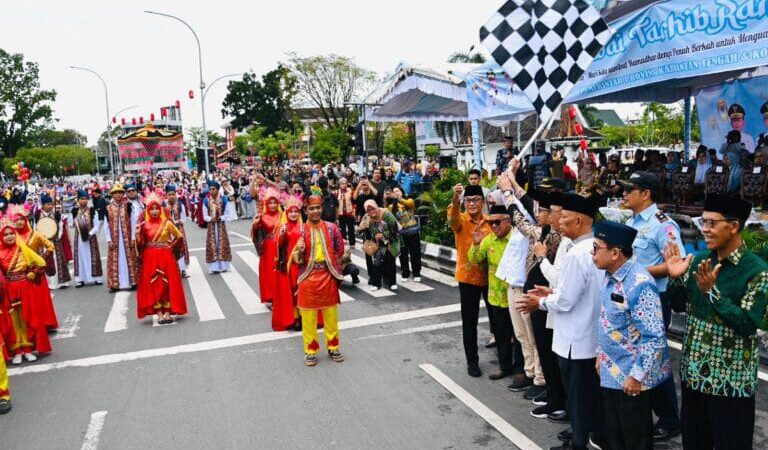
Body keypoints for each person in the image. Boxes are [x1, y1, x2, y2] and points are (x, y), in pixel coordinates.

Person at [664, 194, 768, 450]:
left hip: (730, 382)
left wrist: (712, 293)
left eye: (712, 223)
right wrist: (675, 277)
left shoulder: (756, 270)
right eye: (704, 223)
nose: (706, 230)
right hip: (694, 375)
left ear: (733, 226)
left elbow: (746, 323)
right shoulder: (700, 260)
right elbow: (678, 305)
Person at [516, 193, 604, 450]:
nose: (559, 221)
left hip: (575, 339)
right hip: (586, 336)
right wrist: (551, 293)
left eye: (564, 217)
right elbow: (575, 292)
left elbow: (566, 301)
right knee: (587, 396)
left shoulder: (578, 254)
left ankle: (579, 443)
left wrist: (539, 302)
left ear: (578, 221)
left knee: (578, 398)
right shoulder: (594, 248)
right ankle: (587, 436)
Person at [591, 221, 671, 450]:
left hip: (630, 378)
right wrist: (600, 355)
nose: (592, 253)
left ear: (615, 253)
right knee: (615, 437)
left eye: (596, 248)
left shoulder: (639, 283)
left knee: (634, 440)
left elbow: (654, 337)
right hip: (611, 372)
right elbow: (608, 320)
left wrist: (637, 376)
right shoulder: (611, 275)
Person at [619, 171, 684, 441]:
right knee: (637, 355)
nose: (623, 193)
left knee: (654, 358)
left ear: (646, 194)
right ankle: (643, 408)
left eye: (629, 189)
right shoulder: (631, 220)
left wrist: (639, 272)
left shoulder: (662, 225)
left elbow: (676, 263)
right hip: (630, 299)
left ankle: (669, 419)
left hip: (654, 300)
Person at [468, 204, 525, 381]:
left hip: (516, 296)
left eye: (497, 222)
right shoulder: (488, 240)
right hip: (496, 296)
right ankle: (505, 366)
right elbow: (475, 260)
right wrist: (476, 244)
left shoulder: (517, 239)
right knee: (501, 334)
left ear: (508, 221)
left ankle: (520, 369)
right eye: (491, 223)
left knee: (519, 335)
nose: (493, 226)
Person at [291, 194, 345, 367]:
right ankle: (311, 350)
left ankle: (333, 346)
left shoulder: (332, 228)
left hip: (328, 275)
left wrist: (335, 266)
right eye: (311, 208)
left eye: (318, 208)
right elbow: (293, 258)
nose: (315, 211)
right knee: (308, 317)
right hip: (308, 276)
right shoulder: (298, 231)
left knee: (331, 315)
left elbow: (339, 249)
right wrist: (298, 251)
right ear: (305, 211)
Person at [449, 183, 493, 377]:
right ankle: (472, 361)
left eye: (476, 200)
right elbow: (452, 220)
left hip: (490, 277)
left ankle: (504, 359)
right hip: (467, 277)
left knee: (497, 320)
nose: (472, 204)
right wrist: (455, 199)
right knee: (470, 321)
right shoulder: (460, 220)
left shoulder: (491, 221)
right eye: (469, 200)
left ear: (482, 202)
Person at [0, 216, 52, 365]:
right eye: (5, 234)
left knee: (27, 318)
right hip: (8, 291)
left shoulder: (23, 248)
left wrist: (33, 273)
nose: (9, 236)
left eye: (11, 233)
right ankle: (17, 351)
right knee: (13, 322)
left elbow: (40, 263)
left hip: (25, 288)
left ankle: (28, 350)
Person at [135, 193, 188, 325]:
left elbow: (179, 236)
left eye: (157, 208)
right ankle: (159, 313)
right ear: (148, 210)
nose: (154, 211)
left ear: (160, 209)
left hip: (166, 256)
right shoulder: (144, 225)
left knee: (167, 283)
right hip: (150, 257)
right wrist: (136, 235)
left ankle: (168, 312)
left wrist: (171, 247)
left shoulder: (167, 223)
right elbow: (140, 245)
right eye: (151, 209)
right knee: (154, 284)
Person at [275, 197, 304, 331]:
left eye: (296, 211)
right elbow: (279, 247)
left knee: (303, 290)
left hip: (303, 264)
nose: (293, 214)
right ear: (287, 213)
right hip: (290, 265)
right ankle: (296, 317)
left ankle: (305, 315)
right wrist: (281, 236)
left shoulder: (304, 227)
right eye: (291, 211)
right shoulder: (284, 227)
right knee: (292, 291)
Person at [358, 199, 400, 291]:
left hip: (391, 241)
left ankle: (392, 282)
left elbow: (395, 228)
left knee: (390, 262)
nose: (372, 211)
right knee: (377, 263)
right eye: (369, 210)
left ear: (376, 207)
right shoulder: (367, 217)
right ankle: (376, 284)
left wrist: (385, 236)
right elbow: (359, 229)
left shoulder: (386, 214)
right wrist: (363, 228)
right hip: (378, 243)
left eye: (373, 208)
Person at [104, 184, 138, 292]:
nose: (118, 195)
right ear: (112, 195)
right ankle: (114, 284)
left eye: (120, 192)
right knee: (115, 260)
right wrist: (109, 240)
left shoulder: (128, 206)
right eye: (116, 193)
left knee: (130, 259)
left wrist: (133, 238)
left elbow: (133, 222)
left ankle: (132, 282)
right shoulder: (108, 208)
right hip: (115, 239)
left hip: (127, 238)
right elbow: (106, 225)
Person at [251, 188, 281, 305]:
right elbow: (256, 234)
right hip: (268, 248)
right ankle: (272, 296)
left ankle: (283, 294)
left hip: (281, 247)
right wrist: (255, 225)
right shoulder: (262, 217)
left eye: (274, 202)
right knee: (270, 272)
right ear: (266, 204)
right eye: (270, 202)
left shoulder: (283, 215)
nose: (272, 205)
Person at [37, 193, 71, 289]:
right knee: (46, 260)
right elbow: (36, 227)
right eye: (47, 204)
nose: (50, 206)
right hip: (43, 242)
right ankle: (48, 283)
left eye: (51, 204)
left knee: (57, 259)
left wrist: (58, 235)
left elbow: (60, 226)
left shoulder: (56, 214)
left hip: (55, 240)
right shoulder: (38, 215)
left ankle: (61, 282)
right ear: (43, 205)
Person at [389, 187, 421, 282]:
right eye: (394, 192)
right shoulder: (392, 207)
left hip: (413, 232)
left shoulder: (409, 201)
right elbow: (390, 219)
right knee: (403, 255)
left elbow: (409, 204)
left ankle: (417, 273)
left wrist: (398, 198)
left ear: (402, 192)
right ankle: (405, 274)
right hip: (401, 234)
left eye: (398, 191)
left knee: (415, 254)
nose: (396, 193)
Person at [203, 180, 233, 274]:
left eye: (213, 189)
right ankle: (214, 267)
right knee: (212, 244)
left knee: (222, 244)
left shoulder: (223, 199)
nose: (212, 191)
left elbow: (228, 213)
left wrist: (221, 218)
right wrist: (210, 219)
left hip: (220, 225)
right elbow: (204, 215)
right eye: (210, 189)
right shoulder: (206, 200)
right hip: (211, 226)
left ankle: (224, 266)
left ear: (218, 189)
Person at [165, 185, 190, 278]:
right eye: (169, 194)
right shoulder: (163, 205)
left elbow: (184, 218)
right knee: (169, 249)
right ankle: (170, 270)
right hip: (167, 231)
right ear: (166, 195)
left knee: (181, 249)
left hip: (178, 230)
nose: (171, 196)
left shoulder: (180, 204)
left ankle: (183, 270)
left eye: (173, 194)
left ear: (175, 195)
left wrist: (176, 221)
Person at [337, 177, 356, 248]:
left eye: (345, 183)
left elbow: (354, 201)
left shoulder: (350, 191)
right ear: (339, 185)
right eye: (342, 183)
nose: (344, 185)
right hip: (341, 213)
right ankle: (344, 241)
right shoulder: (337, 192)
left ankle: (352, 243)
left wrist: (354, 211)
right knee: (342, 228)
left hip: (349, 213)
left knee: (351, 228)